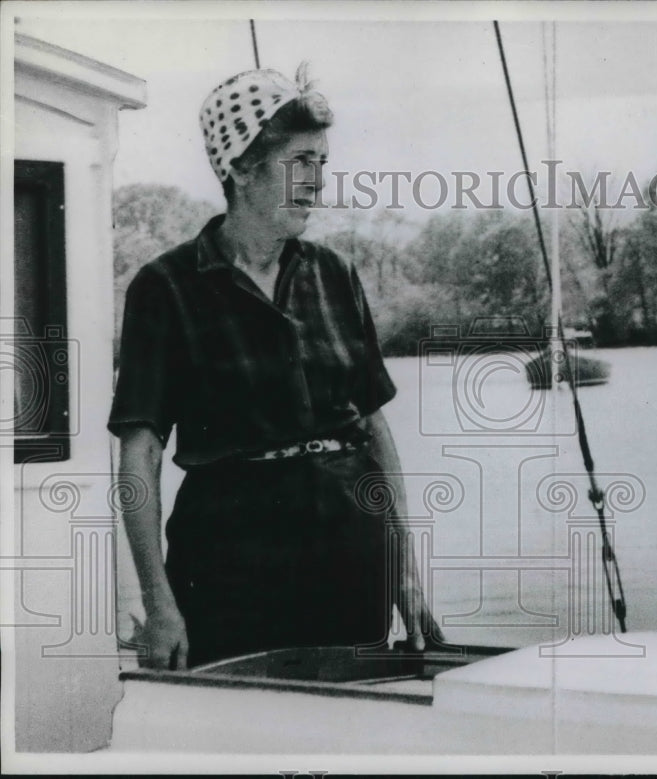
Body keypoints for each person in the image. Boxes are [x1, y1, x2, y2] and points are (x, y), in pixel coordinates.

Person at [111, 65, 442, 669]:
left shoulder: (336, 273)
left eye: (323, 161)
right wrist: (157, 601)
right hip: (230, 568)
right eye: (301, 162)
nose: (318, 183)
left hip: (351, 553)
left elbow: (374, 429)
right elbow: (140, 454)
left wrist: (404, 571)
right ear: (240, 168)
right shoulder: (164, 288)